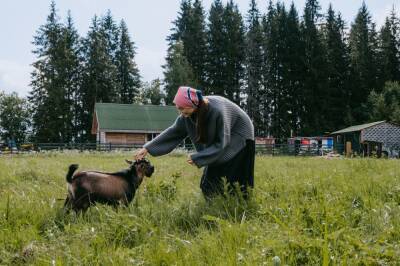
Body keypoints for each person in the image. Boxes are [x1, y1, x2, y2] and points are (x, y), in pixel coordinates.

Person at [135, 86, 255, 199]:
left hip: (240, 134)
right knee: (208, 184)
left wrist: (199, 157)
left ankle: (237, 204)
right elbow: (174, 132)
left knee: (233, 174)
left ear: (192, 104)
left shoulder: (217, 111)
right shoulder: (187, 115)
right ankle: (215, 205)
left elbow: (222, 143)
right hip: (224, 139)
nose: (181, 112)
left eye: (182, 108)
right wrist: (148, 148)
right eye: (179, 109)